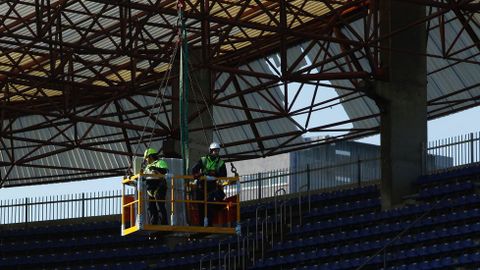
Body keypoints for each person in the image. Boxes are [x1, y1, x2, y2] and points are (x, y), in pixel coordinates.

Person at [191, 142, 227, 226]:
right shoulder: (203, 159)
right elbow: (194, 170)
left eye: (217, 151)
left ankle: (209, 225)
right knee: (201, 207)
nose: (216, 153)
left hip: (212, 187)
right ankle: (201, 226)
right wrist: (201, 174)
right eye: (214, 151)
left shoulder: (220, 162)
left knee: (210, 207)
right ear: (211, 151)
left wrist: (214, 174)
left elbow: (223, 175)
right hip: (201, 186)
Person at [143, 148, 169, 225]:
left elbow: (164, 171)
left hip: (159, 186)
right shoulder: (147, 167)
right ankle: (153, 223)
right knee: (151, 207)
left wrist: (155, 168)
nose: (146, 160)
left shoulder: (160, 162)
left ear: (150, 156)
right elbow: (143, 177)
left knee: (160, 206)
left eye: (146, 158)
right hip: (150, 189)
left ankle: (164, 223)